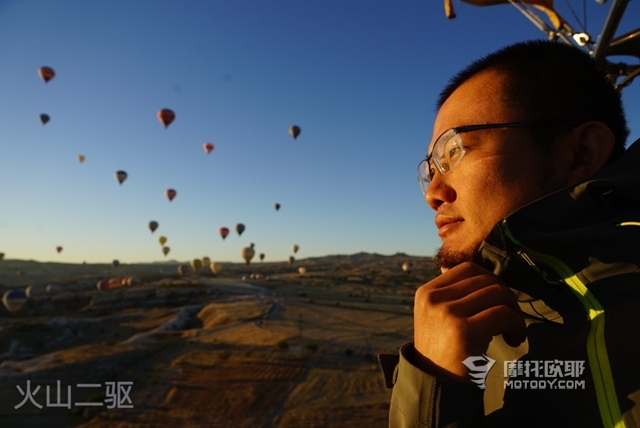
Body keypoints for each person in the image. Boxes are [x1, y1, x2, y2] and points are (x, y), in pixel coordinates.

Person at [379, 40, 640, 427]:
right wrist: (434, 386)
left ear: (580, 153)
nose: (433, 194)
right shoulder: (474, 343)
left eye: (454, 152)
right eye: (430, 169)